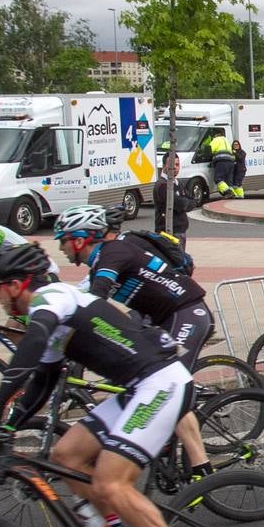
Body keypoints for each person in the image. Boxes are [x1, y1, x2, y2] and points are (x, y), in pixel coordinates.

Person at [0, 244, 201, 527]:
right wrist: (8, 425)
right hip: (139, 388)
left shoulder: (55, 297)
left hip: (162, 384)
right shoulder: (50, 316)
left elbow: (31, 344)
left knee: (111, 483)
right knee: (67, 457)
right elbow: (42, 381)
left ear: (16, 285)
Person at [51, 204, 214, 489]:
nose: (61, 248)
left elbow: (97, 299)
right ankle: (164, 442)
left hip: (187, 314)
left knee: (168, 385)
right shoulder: (100, 261)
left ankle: (202, 468)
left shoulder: (113, 253)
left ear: (79, 239)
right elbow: (80, 298)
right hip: (161, 319)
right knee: (143, 377)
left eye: (63, 240)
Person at [153, 153, 192, 244]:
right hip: (169, 232)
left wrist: (185, 202)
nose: (174, 167)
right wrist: (184, 202)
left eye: (177, 164)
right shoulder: (162, 185)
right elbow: (180, 204)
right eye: (171, 165)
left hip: (180, 231)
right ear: (163, 166)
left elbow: (192, 202)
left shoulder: (178, 183)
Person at [207, 127, 234, 199]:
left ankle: (228, 192)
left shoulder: (216, 139)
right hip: (231, 162)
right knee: (228, 180)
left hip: (222, 161)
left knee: (218, 179)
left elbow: (210, 149)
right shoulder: (226, 140)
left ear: (216, 134)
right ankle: (231, 194)